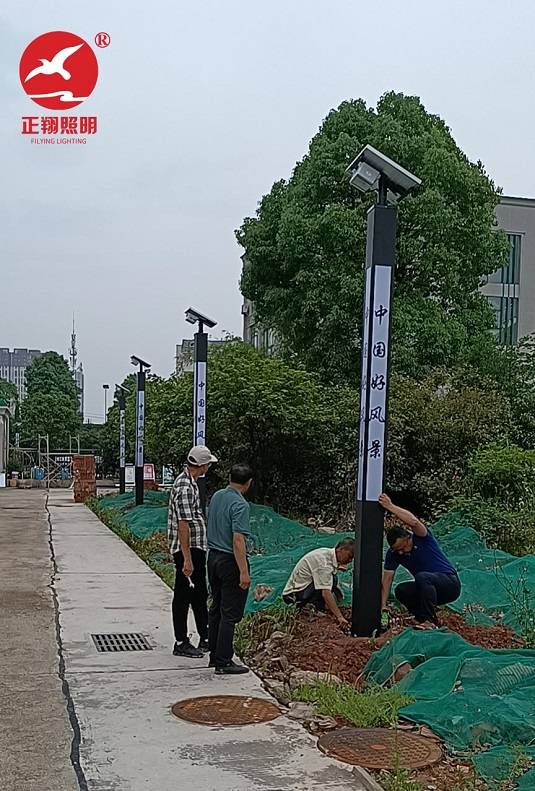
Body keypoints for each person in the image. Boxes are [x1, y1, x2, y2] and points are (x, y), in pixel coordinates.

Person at [379, 493, 461, 628]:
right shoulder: (393, 554)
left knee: (422, 577)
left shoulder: (421, 537)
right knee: (401, 590)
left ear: (408, 537)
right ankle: (421, 618)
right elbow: (387, 580)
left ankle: (431, 621)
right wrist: (383, 606)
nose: (401, 552)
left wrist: (390, 506)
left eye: (402, 547)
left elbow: (414, 522)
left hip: (449, 584)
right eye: (396, 550)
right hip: (428, 589)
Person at [167, 444, 218, 658]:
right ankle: (181, 641)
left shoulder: (190, 482)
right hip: (188, 548)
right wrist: (187, 559)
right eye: (208, 464)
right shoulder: (186, 487)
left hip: (196, 546)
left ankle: (204, 635)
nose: (209, 467)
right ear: (203, 465)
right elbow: (183, 525)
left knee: (198, 593)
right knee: (183, 594)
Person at [207, 463, 253, 675]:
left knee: (216, 607)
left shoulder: (217, 496)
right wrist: (243, 571)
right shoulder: (240, 505)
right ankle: (224, 661)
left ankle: (214, 653)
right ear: (248, 483)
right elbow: (237, 540)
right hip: (229, 561)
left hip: (213, 557)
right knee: (229, 613)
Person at [282, 539, 355, 630]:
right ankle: (308, 608)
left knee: (332, 578)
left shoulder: (327, 554)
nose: (350, 560)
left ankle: (318, 606)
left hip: (303, 588)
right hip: (293, 595)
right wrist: (339, 616)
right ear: (340, 550)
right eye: (349, 556)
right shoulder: (323, 563)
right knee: (327, 583)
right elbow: (326, 592)